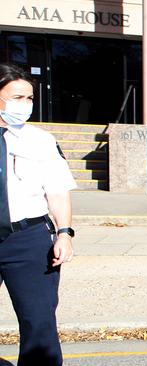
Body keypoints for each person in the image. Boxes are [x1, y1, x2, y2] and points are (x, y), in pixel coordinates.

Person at [0, 63, 76, 365]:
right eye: (17, 98)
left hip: (28, 240)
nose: (26, 105)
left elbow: (57, 191)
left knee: (38, 323)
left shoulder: (40, 140)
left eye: (29, 98)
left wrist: (64, 233)